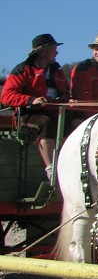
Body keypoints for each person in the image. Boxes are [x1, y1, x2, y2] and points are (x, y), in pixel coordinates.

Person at [0, 34, 70, 177]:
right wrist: (32, 100)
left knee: (73, 124)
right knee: (46, 123)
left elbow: (66, 93)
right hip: (27, 116)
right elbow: (6, 97)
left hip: (56, 112)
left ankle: (70, 165)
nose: (57, 53)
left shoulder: (58, 71)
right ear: (44, 52)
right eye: (54, 49)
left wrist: (70, 100)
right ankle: (51, 169)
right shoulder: (22, 70)